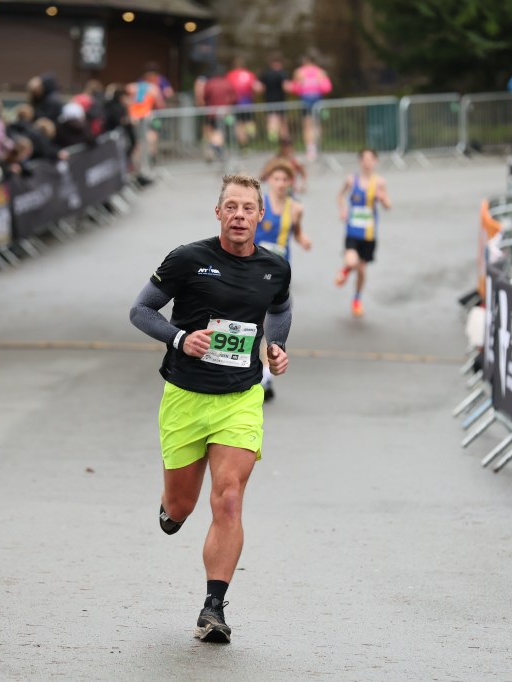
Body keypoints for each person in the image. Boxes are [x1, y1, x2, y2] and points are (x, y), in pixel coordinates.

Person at [128, 173, 292, 644]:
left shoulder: (275, 268)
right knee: (182, 505)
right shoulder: (187, 259)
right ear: (218, 213)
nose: (239, 216)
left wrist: (277, 347)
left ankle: (213, 608)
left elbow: (280, 309)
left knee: (229, 497)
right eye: (231, 207)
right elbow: (141, 311)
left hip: (240, 398)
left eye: (248, 208)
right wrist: (180, 338)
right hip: (185, 395)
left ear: (261, 215)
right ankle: (172, 507)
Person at [255, 161, 309, 400]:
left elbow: (297, 232)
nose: (280, 183)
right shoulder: (259, 205)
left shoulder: (296, 208)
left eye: (284, 180)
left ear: (290, 183)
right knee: (255, 323)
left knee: (270, 324)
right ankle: (259, 372)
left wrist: (303, 239)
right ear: (269, 181)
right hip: (254, 270)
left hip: (278, 275)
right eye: (275, 179)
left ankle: (266, 375)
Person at [334, 148, 392, 317]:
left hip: (369, 235)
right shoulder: (351, 180)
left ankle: (357, 299)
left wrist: (382, 199)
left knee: (361, 270)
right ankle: (346, 270)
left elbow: (388, 206)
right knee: (351, 261)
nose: (367, 163)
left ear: (375, 162)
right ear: (360, 161)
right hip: (352, 231)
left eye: (370, 159)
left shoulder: (380, 182)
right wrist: (343, 209)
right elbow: (340, 196)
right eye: (364, 159)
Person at [290, 55, 332, 161]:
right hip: (317, 100)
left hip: (306, 100)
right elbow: (327, 88)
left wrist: (301, 84)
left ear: (305, 61)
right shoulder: (320, 72)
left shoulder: (299, 72)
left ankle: (311, 149)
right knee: (317, 125)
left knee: (307, 126)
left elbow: (294, 88)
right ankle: (317, 147)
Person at [226, 57, 264, 148]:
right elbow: (258, 88)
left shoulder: (230, 75)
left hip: (235, 103)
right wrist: (254, 95)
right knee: (249, 121)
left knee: (239, 124)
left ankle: (243, 144)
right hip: (247, 102)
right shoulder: (249, 74)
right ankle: (252, 138)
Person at [260, 54, 291, 143]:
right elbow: (286, 87)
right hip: (281, 100)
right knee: (282, 121)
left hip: (269, 100)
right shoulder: (283, 73)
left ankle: (272, 136)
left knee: (271, 119)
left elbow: (259, 87)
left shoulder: (266, 73)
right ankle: (284, 140)